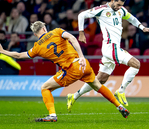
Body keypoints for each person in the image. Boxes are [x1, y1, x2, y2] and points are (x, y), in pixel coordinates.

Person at [0, 21, 130, 122]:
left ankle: (52, 115)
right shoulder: (57, 31)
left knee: (45, 88)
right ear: (44, 28)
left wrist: (3, 51)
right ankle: (120, 106)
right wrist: (82, 57)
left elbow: (19, 56)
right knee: (97, 86)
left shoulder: (37, 47)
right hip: (83, 65)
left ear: (35, 34)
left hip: (71, 70)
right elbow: (73, 39)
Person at [67, 0, 149, 112]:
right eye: (118, 4)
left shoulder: (121, 10)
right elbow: (81, 15)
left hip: (111, 49)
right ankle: (121, 91)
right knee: (136, 64)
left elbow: (131, 18)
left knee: (100, 79)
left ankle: (73, 96)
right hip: (110, 47)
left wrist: (142, 27)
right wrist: (81, 32)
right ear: (112, 0)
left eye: (121, 5)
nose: (119, 7)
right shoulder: (102, 9)